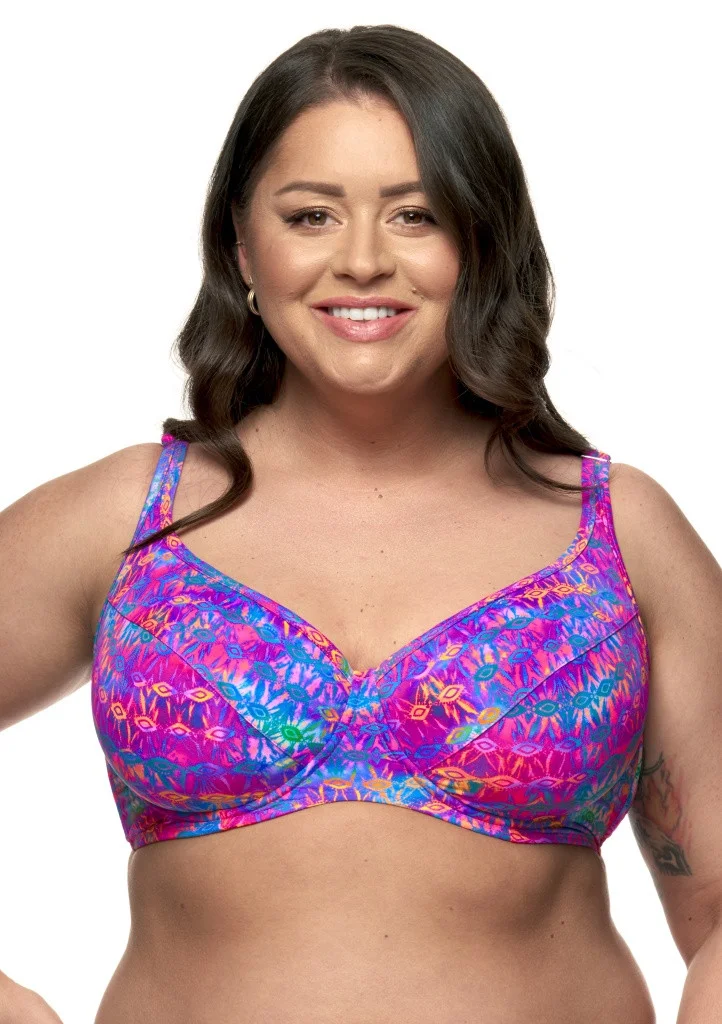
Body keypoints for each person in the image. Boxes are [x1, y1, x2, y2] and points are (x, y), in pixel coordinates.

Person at [1, 23, 721, 1024]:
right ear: (241, 247)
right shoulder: (129, 520)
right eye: (311, 216)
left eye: (416, 214)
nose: (364, 260)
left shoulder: (618, 532)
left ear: (482, 241)